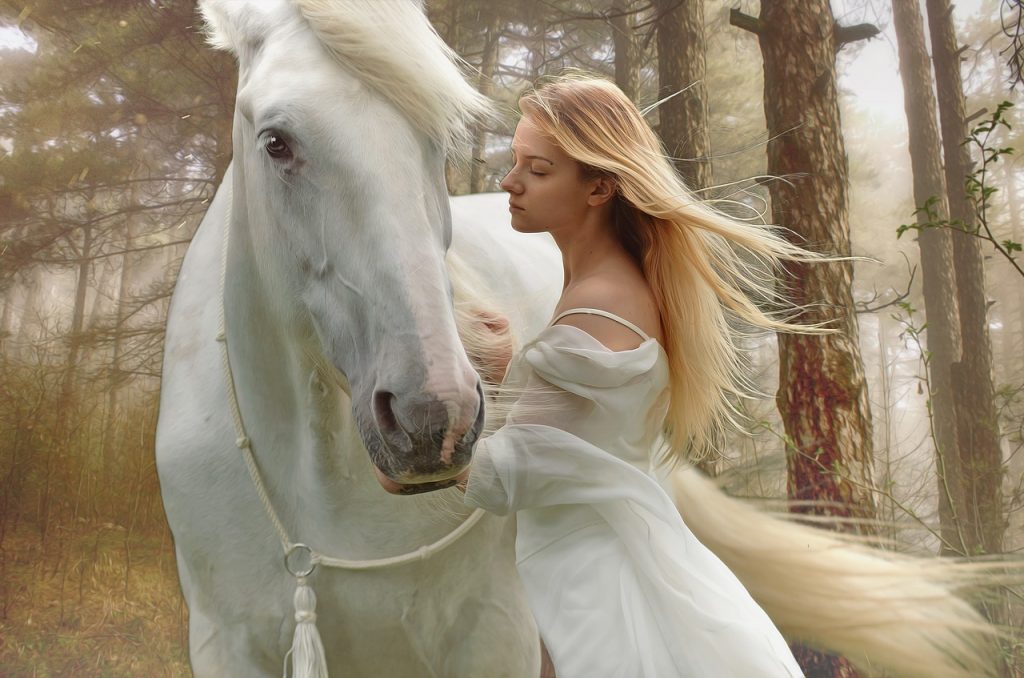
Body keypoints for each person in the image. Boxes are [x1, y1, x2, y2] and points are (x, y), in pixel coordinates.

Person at [460, 75, 815, 677]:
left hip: (601, 598)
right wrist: (503, 372)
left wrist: (405, 438)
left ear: (599, 186)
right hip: (594, 575)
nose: (508, 183)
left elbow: (498, 481)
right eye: (514, 161)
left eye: (537, 170)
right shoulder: (613, 287)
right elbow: (580, 442)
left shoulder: (595, 307)